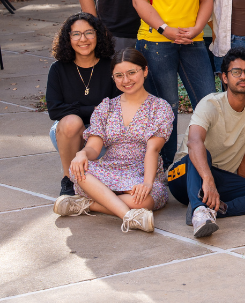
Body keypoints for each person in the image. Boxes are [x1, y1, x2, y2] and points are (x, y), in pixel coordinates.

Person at [167, 48, 245, 238]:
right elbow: (194, 142)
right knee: (201, 152)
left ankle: (218, 210)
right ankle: (199, 210)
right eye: (236, 72)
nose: (243, 76)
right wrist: (207, 180)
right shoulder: (210, 104)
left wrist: (241, 183)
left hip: (219, 178)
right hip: (183, 175)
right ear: (224, 78)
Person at [53, 49, 173, 234]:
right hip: (110, 168)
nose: (126, 80)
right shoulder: (106, 107)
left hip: (141, 171)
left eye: (132, 73)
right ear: (113, 78)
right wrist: (82, 154)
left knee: (144, 200)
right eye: (119, 75)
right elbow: (94, 147)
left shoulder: (159, 108)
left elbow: (153, 150)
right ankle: (130, 217)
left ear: (145, 71)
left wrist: (147, 183)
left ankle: (88, 204)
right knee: (78, 171)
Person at [133, 0, 215, 167]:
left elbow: (207, 0)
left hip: (192, 40)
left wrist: (196, 29)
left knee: (207, 101)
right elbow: (139, 1)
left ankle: (210, 162)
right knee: (166, 108)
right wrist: (165, 29)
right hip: (157, 42)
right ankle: (164, 167)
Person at [46, 13, 119, 196]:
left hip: (103, 135)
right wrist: (92, 110)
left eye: (88, 32)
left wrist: (81, 110)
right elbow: (55, 110)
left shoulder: (111, 67)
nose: (83, 39)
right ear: (68, 39)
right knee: (71, 121)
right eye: (76, 34)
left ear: (98, 35)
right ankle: (69, 181)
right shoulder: (58, 69)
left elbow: (117, 109)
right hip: (68, 135)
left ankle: (92, 177)